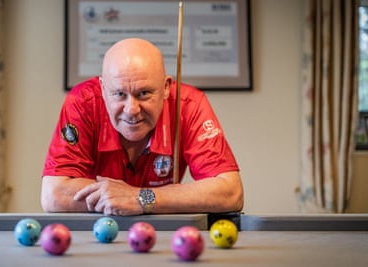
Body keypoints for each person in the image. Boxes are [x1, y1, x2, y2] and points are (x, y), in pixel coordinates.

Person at [41, 38, 243, 216]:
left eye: (144, 93)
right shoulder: (83, 102)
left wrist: (140, 198)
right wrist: (125, 198)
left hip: (164, 240)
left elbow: (230, 192)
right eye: (119, 94)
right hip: (97, 236)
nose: (131, 109)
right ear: (103, 89)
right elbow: (54, 194)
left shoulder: (189, 104)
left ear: (166, 88)